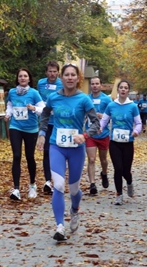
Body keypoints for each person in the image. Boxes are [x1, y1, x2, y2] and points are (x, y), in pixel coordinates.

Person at [36, 63, 100, 241]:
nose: (70, 77)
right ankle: (60, 226)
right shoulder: (53, 98)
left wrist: (85, 135)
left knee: (74, 190)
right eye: (67, 75)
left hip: (76, 149)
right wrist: (42, 133)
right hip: (56, 145)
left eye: (73, 75)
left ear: (78, 78)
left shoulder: (84, 99)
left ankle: (74, 209)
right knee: (57, 185)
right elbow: (45, 115)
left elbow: (96, 124)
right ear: (61, 78)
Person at [5, 68, 45, 200]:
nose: (22, 78)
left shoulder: (34, 93)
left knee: (29, 157)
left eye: (25, 76)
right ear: (17, 78)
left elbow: (43, 109)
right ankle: (16, 189)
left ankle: (32, 185)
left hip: (31, 129)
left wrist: (34, 108)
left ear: (29, 79)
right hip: (15, 126)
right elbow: (10, 105)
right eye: (20, 76)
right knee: (16, 156)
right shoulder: (12, 92)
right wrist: (8, 114)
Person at [100, 79, 142, 205]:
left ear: (128, 91)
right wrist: (101, 127)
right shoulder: (111, 105)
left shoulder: (133, 106)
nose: (123, 89)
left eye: (125, 88)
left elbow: (139, 123)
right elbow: (104, 120)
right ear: (117, 90)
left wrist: (136, 131)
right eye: (121, 87)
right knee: (118, 168)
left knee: (126, 170)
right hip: (115, 142)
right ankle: (119, 194)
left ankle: (129, 182)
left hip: (128, 142)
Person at [37, 60, 63, 195]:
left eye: (54, 71)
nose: (52, 74)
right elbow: (38, 100)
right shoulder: (41, 83)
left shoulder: (62, 83)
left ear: (58, 72)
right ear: (46, 72)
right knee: (46, 151)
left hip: (59, 123)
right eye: (50, 71)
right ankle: (48, 181)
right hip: (46, 122)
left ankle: (57, 179)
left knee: (58, 153)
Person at [85, 76, 112, 195]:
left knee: (103, 159)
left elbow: (113, 113)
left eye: (97, 84)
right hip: (90, 134)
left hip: (103, 134)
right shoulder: (86, 99)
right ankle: (92, 184)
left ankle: (104, 173)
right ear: (90, 85)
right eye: (92, 84)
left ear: (101, 85)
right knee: (91, 159)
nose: (95, 86)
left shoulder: (106, 100)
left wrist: (104, 116)